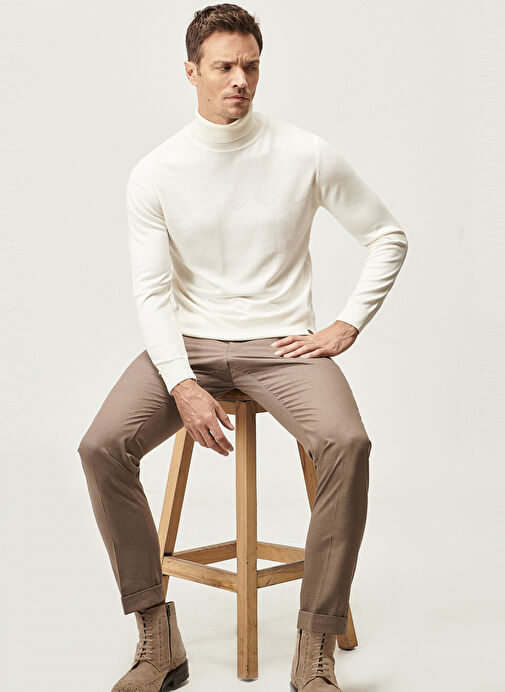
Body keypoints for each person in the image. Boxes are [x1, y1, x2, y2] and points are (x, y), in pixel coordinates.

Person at [77, 4, 408, 691]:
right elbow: (152, 293)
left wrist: (347, 322)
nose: (240, 81)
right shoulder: (157, 171)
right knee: (102, 445)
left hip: (279, 345)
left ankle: (314, 643)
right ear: (191, 72)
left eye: (251, 66)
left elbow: (387, 235)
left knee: (347, 443)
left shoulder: (304, 153)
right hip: (189, 344)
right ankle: (156, 634)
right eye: (224, 67)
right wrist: (181, 383)